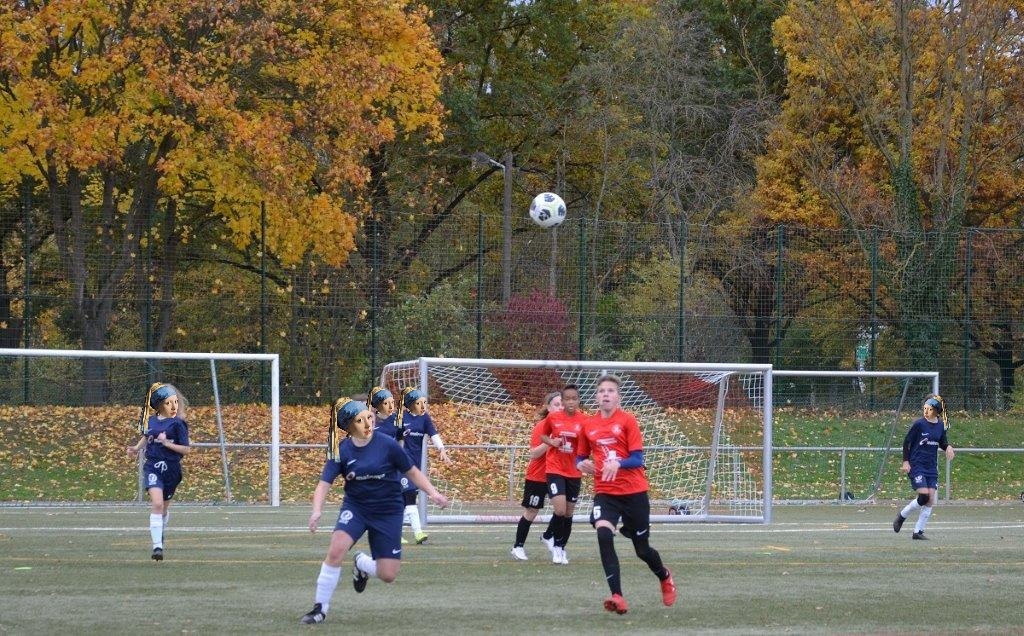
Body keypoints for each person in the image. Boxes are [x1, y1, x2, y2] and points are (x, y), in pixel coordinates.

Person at [300, 398, 448, 625]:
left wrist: (433, 493)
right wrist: (316, 510)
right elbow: (323, 484)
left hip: (388, 510)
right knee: (337, 549)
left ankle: (362, 563)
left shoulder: (388, 445)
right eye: (360, 420)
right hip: (356, 508)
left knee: (388, 574)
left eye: (369, 417)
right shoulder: (341, 451)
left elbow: (412, 472)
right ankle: (320, 608)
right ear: (349, 426)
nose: (368, 423)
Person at [576, 374, 676, 614]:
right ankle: (617, 596)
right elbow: (580, 457)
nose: (606, 394)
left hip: (634, 492)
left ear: (618, 397)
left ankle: (664, 576)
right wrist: (581, 464)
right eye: (602, 391)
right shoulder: (588, 426)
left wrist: (618, 463)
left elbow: (638, 458)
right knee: (603, 535)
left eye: (610, 391)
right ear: (596, 397)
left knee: (642, 550)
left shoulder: (628, 421)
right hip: (605, 492)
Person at [126, 382, 191, 561]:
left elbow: (186, 449)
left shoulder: (178, 423)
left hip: (171, 470)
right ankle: (157, 547)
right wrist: (136, 448)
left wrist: (167, 443)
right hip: (153, 466)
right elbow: (147, 436)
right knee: (157, 504)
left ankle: (159, 530)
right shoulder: (152, 420)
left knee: (162, 510)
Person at [510, 391, 563, 561]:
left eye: (562, 404)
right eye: (556, 404)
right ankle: (518, 546)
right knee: (532, 511)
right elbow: (533, 453)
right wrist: (551, 441)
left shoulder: (567, 426)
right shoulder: (542, 426)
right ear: (548, 407)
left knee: (563, 508)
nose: (560, 407)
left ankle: (548, 536)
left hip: (558, 475)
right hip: (538, 476)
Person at [893, 394, 955, 540]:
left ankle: (918, 532)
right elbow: (907, 442)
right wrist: (905, 461)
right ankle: (901, 516)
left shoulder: (941, 425)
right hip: (917, 465)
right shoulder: (919, 424)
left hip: (931, 467)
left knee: (930, 499)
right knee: (924, 496)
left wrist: (948, 447)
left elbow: (942, 442)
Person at [537, 384, 586, 565]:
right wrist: (552, 442)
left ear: (578, 401)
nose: (571, 402)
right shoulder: (553, 417)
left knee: (568, 514)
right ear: (563, 401)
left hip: (574, 471)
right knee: (560, 510)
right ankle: (556, 548)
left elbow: (589, 442)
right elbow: (543, 436)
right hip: (555, 469)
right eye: (567, 399)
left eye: (574, 398)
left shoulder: (584, 420)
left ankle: (561, 547)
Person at [398, 387, 452, 544]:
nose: (423, 405)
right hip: (401, 465)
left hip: (415, 466)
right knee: (409, 496)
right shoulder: (400, 418)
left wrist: (442, 449)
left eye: (424, 402)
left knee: (403, 500)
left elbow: (433, 434)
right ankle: (418, 533)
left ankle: (394, 532)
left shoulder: (424, 418)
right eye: (419, 403)